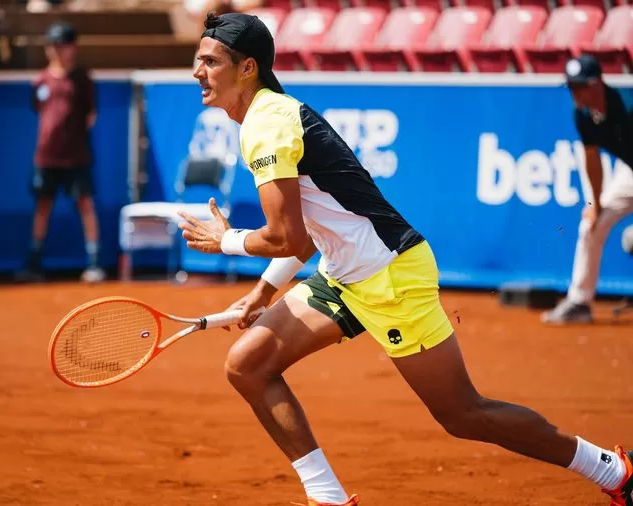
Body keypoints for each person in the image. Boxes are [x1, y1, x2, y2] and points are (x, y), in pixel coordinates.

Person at [178, 13, 633, 506]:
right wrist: (262, 292)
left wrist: (225, 240)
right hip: (345, 272)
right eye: (197, 61)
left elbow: (286, 236)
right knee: (249, 365)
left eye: (210, 61)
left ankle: (611, 470)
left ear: (247, 68)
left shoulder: (267, 123)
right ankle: (327, 497)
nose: (198, 71)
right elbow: (308, 240)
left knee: (462, 414)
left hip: (390, 276)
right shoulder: (268, 116)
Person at [542, 55, 633, 324]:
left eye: (579, 86)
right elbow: (592, 159)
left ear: (597, 84)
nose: (574, 92)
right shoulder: (581, 113)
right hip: (629, 171)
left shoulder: (628, 106)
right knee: (590, 224)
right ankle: (580, 302)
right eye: (571, 86)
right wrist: (596, 205)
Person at [17, 21, 105, 283]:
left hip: (77, 156)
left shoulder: (83, 80)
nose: (55, 51)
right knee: (42, 206)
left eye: (61, 46)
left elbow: (90, 115)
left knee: (85, 204)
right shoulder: (40, 81)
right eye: (51, 46)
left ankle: (94, 262)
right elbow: (38, 109)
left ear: (72, 48)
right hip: (45, 157)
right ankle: (33, 263)